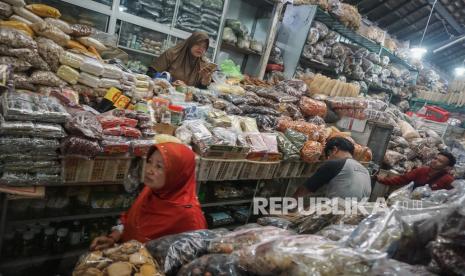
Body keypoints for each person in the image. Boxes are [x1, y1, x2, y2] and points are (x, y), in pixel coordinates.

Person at [90, 143, 207, 250]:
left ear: (178, 174)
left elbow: (192, 261)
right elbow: (131, 219)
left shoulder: (190, 217)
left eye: (159, 166)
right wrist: (113, 237)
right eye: (150, 162)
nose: (149, 170)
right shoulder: (151, 191)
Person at [293, 137, 372, 200]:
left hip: (337, 214)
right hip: (357, 216)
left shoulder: (335, 164)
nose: (327, 159)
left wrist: (288, 206)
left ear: (334, 150)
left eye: (328, 155)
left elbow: (306, 188)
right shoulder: (365, 170)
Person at [148, 31, 215, 88]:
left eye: (204, 47)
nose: (201, 48)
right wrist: (169, 83)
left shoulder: (203, 63)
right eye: (198, 44)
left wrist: (205, 80)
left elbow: (200, 89)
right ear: (191, 43)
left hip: (187, 99)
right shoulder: (173, 54)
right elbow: (150, 73)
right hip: (164, 94)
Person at [377, 151, 456, 190]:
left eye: (440, 161)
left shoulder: (448, 180)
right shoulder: (421, 170)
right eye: (435, 158)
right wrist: (381, 180)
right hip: (413, 205)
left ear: (447, 167)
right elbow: (402, 179)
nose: (435, 161)